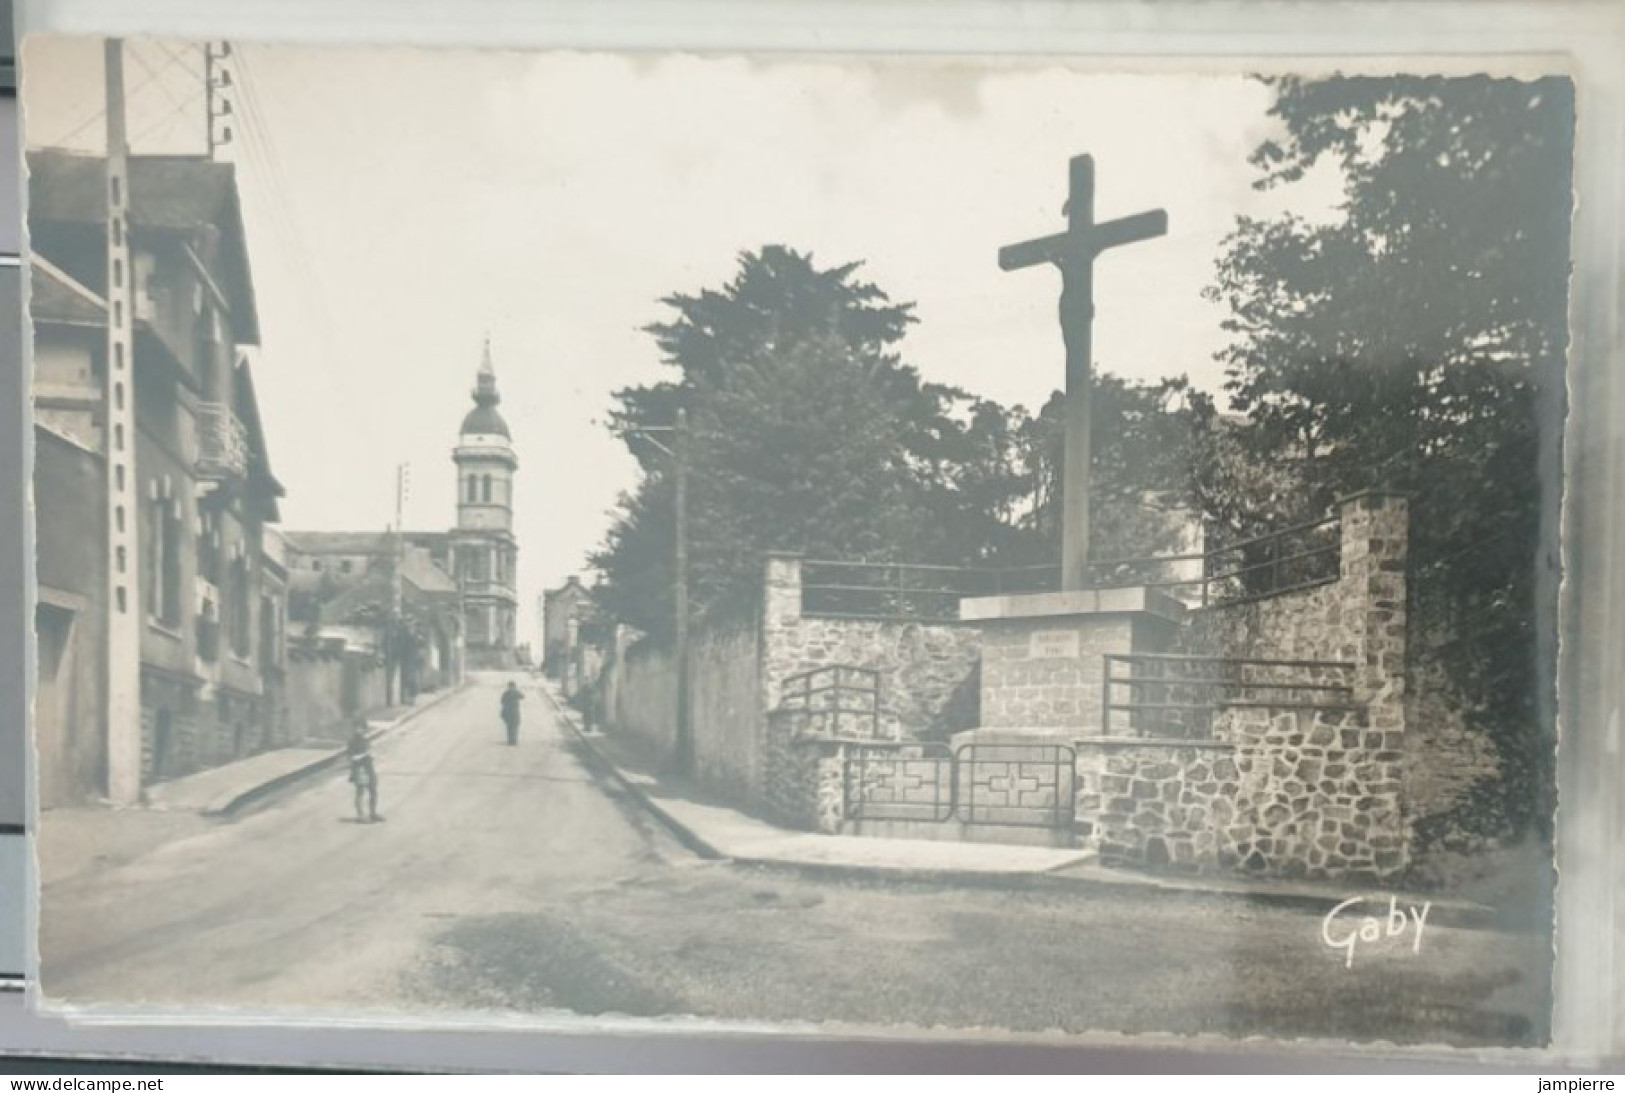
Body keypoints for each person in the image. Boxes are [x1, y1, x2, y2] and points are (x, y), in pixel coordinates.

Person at [346, 722, 381, 823]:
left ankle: (373, 813)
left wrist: (372, 755)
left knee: (373, 790)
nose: (360, 730)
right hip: (359, 769)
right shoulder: (352, 742)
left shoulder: (366, 740)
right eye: (357, 728)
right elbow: (352, 758)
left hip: (369, 767)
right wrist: (365, 755)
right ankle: (361, 816)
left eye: (362, 728)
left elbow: (370, 751)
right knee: (360, 792)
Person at [500, 681, 524, 745]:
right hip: (514, 712)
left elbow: (502, 701)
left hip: (508, 711)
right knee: (514, 726)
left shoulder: (506, 693)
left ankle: (511, 740)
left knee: (510, 726)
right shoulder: (516, 692)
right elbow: (522, 696)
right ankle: (514, 740)